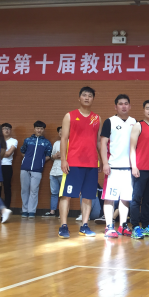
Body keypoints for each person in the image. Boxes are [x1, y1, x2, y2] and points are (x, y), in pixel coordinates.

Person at [58, 86, 101, 238]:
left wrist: (102, 160)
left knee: (88, 196)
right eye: (84, 95)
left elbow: (98, 142)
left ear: (93, 99)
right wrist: (63, 160)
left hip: (91, 163)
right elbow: (64, 138)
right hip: (73, 163)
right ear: (79, 98)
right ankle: (63, 226)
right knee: (66, 195)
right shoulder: (70, 116)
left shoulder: (97, 118)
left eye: (90, 95)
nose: (87, 98)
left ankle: (84, 226)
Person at [100, 94, 136, 238]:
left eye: (126, 103)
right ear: (116, 107)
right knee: (110, 197)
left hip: (128, 168)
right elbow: (103, 144)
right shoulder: (110, 121)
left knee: (125, 198)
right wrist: (104, 163)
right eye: (120, 104)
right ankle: (109, 226)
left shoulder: (134, 122)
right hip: (113, 167)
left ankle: (123, 225)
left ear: (130, 106)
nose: (123, 106)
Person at [129, 99, 149, 239]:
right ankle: (135, 227)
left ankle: (145, 226)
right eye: (147, 108)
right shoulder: (138, 125)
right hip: (140, 169)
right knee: (136, 199)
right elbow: (132, 148)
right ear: (144, 110)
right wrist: (134, 166)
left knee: (148, 200)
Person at [20, 120, 52, 219]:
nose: (39, 130)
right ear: (34, 129)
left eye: (41, 129)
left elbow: (48, 155)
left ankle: (31, 211)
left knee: (34, 190)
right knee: (24, 190)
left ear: (43, 130)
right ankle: (25, 210)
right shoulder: (27, 140)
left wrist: (40, 161)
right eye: (37, 128)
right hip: (24, 168)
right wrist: (27, 159)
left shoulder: (46, 142)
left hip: (37, 170)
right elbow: (22, 151)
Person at [45, 126, 63, 217]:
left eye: (63, 131)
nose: (61, 132)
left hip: (64, 171)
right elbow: (52, 156)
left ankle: (62, 213)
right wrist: (54, 156)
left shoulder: (71, 142)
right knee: (54, 193)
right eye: (60, 131)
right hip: (53, 171)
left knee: (63, 194)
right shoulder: (56, 143)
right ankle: (52, 211)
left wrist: (63, 156)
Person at [0, 123, 17, 209]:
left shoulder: (14, 141)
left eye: (8, 129)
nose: (6, 130)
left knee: (7, 187)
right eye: (4, 128)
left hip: (7, 166)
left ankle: (6, 207)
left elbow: (8, 154)